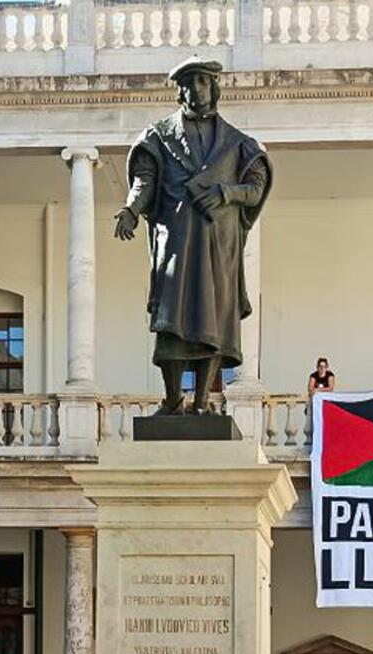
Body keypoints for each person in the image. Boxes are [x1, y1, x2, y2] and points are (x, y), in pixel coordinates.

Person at [114, 57, 272, 417]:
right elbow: (145, 179)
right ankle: (172, 400)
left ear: (214, 87)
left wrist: (226, 193)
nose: (196, 88)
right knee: (173, 323)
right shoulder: (159, 136)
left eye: (203, 81)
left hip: (219, 245)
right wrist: (131, 209)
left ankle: (201, 402)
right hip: (177, 244)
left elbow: (256, 187)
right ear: (179, 89)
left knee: (212, 321)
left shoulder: (238, 143)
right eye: (189, 82)